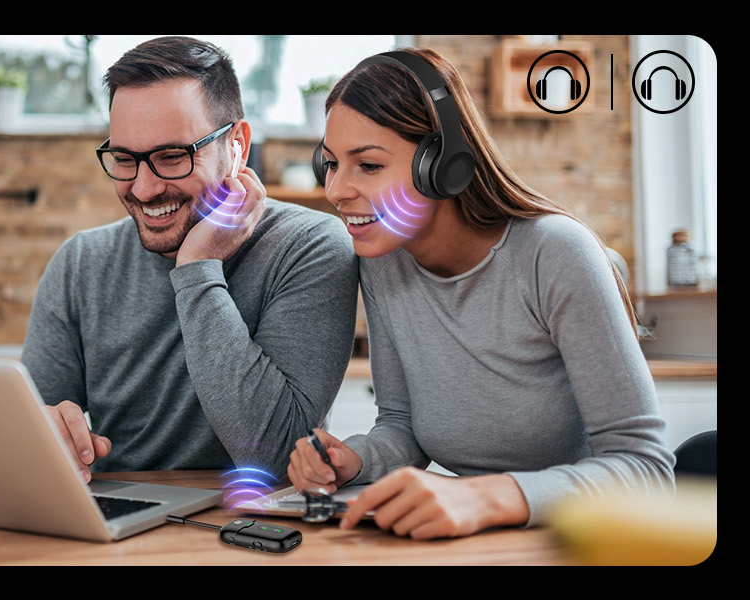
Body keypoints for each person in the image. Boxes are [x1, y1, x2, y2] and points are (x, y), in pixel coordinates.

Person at [286, 48, 675, 539]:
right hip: (469, 538)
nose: (337, 189)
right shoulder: (383, 263)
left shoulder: (554, 254)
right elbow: (403, 426)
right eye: (331, 164)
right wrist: (354, 458)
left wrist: (487, 496)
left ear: (443, 165)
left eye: (367, 165)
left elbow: (646, 468)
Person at [20, 36, 359, 483]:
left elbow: (278, 457)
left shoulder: (309, 246)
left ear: (236, 144)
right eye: (124, 159)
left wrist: (198, 267)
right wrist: (46, 432)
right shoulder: (82, 262)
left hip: (255, 527)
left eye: (172, 157)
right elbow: (26, 438)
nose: (143, 189)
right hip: (116, 524)